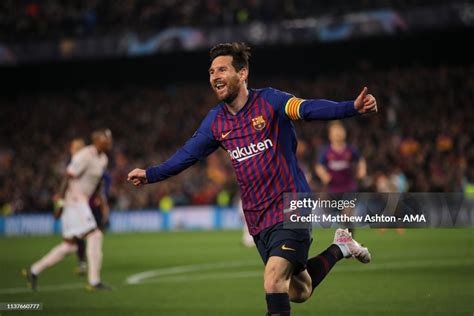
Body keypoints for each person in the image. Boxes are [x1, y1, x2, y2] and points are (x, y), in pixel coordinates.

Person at [128, 42, 377, 315]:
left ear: (243, 73)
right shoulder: (215, 122)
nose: (215, 76)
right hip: (257, 217)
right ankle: (341, 247)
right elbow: (187, 155)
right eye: (211, 72)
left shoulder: (271, 102)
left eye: (222, 69)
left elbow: (307, 109)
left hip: (291, 205)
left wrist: (351, 108)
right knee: (299, 290)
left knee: (272, 279)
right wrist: (151, 174)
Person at [23, 129, 113, 291]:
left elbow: (97, 181)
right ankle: (94, 281)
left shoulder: (103, 159)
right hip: (74, 201)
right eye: (106, 139)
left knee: (69, 246)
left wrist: (101, 199)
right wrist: (60, 203)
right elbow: (67, 176)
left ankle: (33, 270)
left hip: (82, 201)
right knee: (95, 235)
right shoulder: (84, 155)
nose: (109, 142)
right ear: (97, 140)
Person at [315, 121, 366, 235]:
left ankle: (349, 240)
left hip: (349, 188)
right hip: (333, 190)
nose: (338, 133)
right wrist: (323, 174)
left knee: (346, 216)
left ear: (345, 133)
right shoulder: (326, 151)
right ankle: (347, 239)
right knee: (338, 216)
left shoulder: (350, 149)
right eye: (335, 131)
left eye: (340, 130)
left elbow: (360, 160)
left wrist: (362, 170)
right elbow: (319, 165)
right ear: (330, 135)